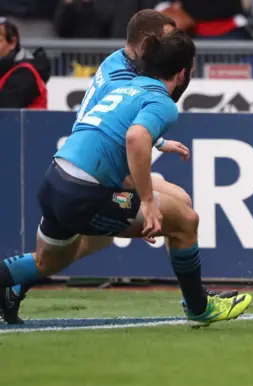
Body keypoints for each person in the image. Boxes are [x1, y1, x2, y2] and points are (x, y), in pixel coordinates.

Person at [0, 9, 240, 325]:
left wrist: (158, 144)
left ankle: (13, 286)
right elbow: (133, 134)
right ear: (148, 42)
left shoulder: (124, 65)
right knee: (181, 216)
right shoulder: (130, 78)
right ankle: (197, 304)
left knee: (56, 256)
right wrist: (149, 201)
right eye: (166, 39)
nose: (167, 47)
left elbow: (122, 120)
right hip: (96, 177)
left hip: (63, 171)